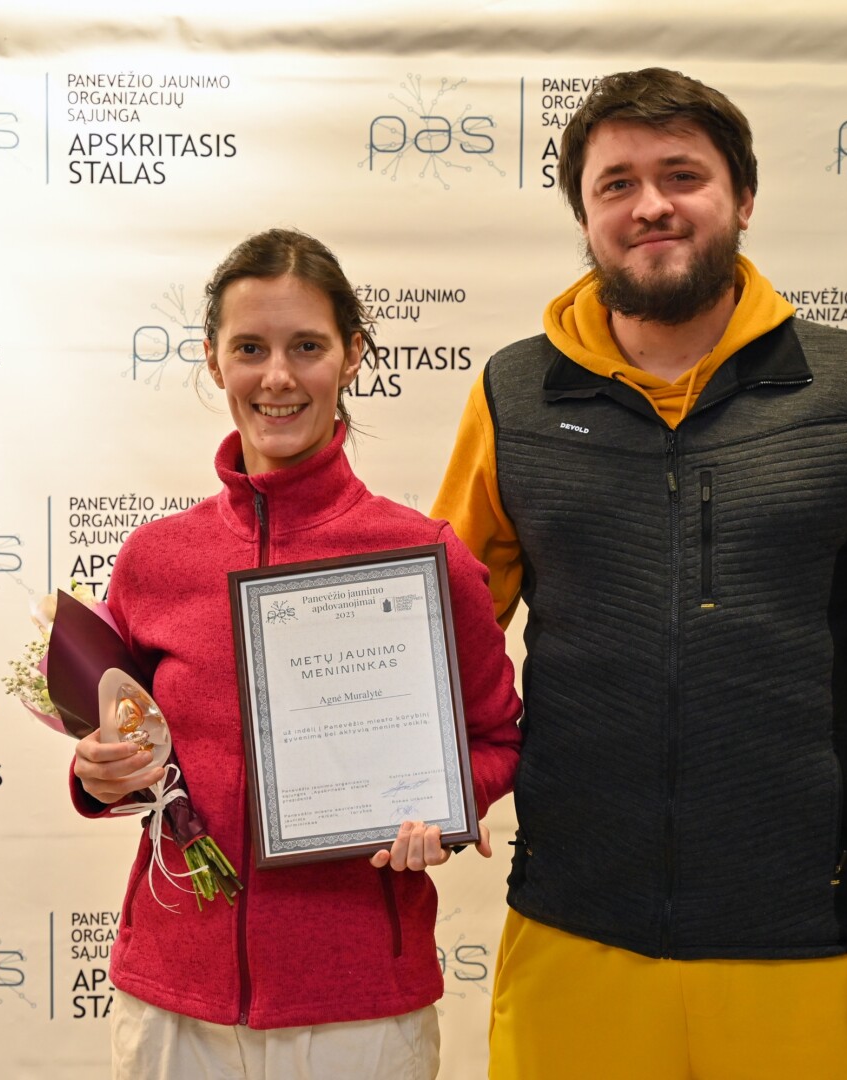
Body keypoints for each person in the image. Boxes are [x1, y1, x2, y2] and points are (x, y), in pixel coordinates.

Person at [433, 69, 847, 1078]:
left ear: (744, 197)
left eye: (682, 175)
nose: (651, 205)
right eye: (617, 184)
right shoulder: (513, 395)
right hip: (572, 931)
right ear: (585, 217)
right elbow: (438, 648)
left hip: (800, 940)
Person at [71, 228, 522, 1080]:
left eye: (306, 347)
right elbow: (125, 744)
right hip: (172, 1002)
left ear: (352, 355)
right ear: (213, 361)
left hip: (358, 1006)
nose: (276, 377)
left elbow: (497, 738)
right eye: (250, 348)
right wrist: (99, 773)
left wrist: (442, 808)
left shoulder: (423, 556)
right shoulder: (154, 559)